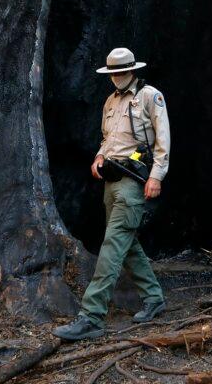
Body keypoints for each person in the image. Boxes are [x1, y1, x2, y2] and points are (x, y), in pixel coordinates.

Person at [53, 47, 170, 341]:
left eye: (120, 71)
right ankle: (154, 298)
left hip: (134, 181)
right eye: (112, 72)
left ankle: (92, 316)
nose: (116, 77)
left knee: (112, 246)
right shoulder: (110, 101)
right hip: (111, 180)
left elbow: (163, 143)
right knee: (126, 243)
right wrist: (99, 158)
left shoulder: (150, 97)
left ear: (132, 70)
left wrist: (156, 176)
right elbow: (109, 138)